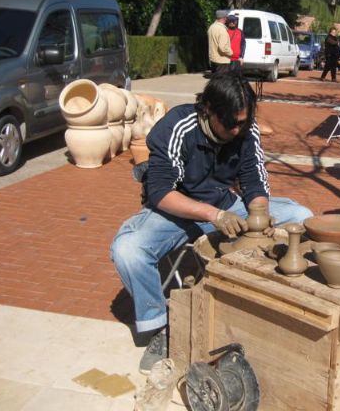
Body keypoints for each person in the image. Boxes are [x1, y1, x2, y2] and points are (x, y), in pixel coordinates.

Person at [111, 71, 313, 373]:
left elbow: (254, 178)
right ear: (208, 109)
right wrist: (213, 216)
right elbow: (160, 191)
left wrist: (261, 212)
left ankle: (282, 306)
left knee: (301, 218)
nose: (237, 129)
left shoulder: (245, 128)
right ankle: (160, 328)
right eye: (230, 123)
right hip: (177, 209)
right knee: (128, 249)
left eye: (243, 122)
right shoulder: (178, 126)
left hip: (226, 204)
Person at [207, 9, 233, 73]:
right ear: (224, 18)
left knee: (215, 81)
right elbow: (222, 47)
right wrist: (231, 52)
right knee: (222, 82)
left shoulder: (211, 27)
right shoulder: (222, 30)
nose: (227, 19)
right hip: (222, 61)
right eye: (226, 17)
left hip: (213, 60)